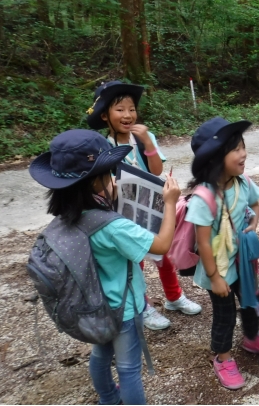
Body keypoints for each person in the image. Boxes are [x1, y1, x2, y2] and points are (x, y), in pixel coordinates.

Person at [29, 129, 182, 405]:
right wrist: (170, 202)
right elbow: (161, 245)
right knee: (129, 369)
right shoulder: (112, 226)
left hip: (94, 309)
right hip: (123, 310)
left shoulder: (68, 216)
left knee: (100, 356)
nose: (113, 178)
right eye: (108, 174)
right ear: (93, 183)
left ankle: (109, 400)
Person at [87, 80, 201, 331]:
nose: (128, 115)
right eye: (120, 109)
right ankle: (144, 306)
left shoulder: (144, 138)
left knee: (164, 254)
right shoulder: (104, 146)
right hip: (123, 212)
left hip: (152, 205)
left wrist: (148, 144)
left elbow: (156, 169)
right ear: (105, 115)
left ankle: (173, 297)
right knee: (133, 259)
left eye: (131, 109)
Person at [186, 117, 259, 390]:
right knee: (225, 313)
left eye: (243, 146)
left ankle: (252, 337)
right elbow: (203, 243)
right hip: (217, 267)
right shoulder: (204, 197)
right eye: (235, 149)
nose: (243, 153)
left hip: (242, 260)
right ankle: (222, 357)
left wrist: (252, 225)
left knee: (251, 300)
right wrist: (215, 278)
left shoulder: (242, 182)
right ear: (216, 157)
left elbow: (255, 205)